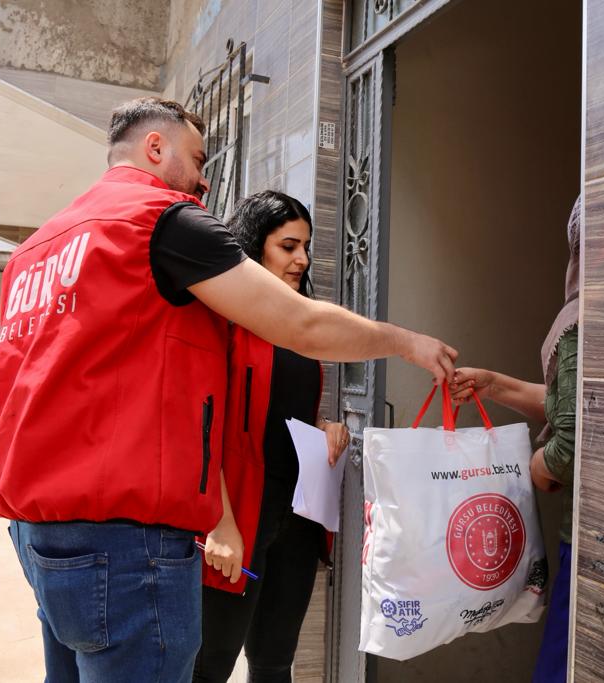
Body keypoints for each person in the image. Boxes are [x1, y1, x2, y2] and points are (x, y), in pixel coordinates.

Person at [0, 97, 457, 683]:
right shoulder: (163, 221)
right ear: (156, 149)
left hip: (40, 530)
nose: (204, 180)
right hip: (123, 543)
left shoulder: (38, 248)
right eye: (199, 158)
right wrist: (405, 342)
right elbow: (302, 324)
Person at [193, 191, 348, 682]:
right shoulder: (223, 318)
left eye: (305, 246)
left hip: (298, 518)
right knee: (210, 663)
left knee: (276, 661)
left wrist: (324, 426)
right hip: (238, 512)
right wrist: (219, 521)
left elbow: (285, 405)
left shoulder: (301, 320)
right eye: (288, 246)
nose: (302, 258)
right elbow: (203, 423)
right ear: (254, 246)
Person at [449, 195, 581, 682]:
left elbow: (568, 443)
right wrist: (496, 386)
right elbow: (578, 404)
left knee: (562, 664)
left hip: (590, 538)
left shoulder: (580, 319)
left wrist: (534, 469)